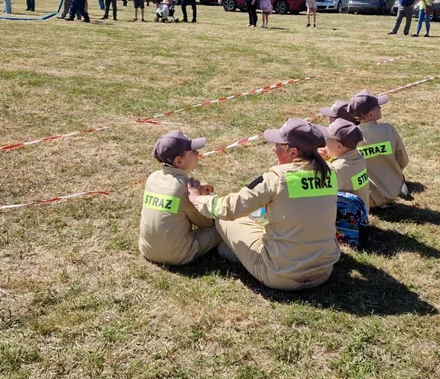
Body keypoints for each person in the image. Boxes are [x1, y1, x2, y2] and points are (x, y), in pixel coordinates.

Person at [187, 118, 340, 291]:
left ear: (293, 153)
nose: (273, 148)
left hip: (281, 276)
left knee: (225, 220)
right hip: (324, 272)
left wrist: (199, 199)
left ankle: (227, 249)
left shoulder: (276, 178)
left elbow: (229, 208)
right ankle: (227, 249)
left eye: (278, 145)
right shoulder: (331, 172)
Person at [139, 131, 221, 266]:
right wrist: (201, 197)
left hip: (147, 249)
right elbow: (206, 222)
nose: (197, 154)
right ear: (179, 161)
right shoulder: (183, 187)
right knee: (221, 226)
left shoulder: (152, 177)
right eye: (193, 151)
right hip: (178, 255)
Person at [350, 90, 409, 207]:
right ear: (371, 114)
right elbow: (403, 159)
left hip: (367, 196)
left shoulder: (351, 136)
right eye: (378, 107)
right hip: (393, 189)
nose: (380, 108)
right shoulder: (388, 129)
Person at [321, 117, 370, 211]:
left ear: (339, 146)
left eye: (327, 139)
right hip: (363, 210)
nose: (325, 142)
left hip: (349, 218)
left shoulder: (337, 169)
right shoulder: (359, 157)